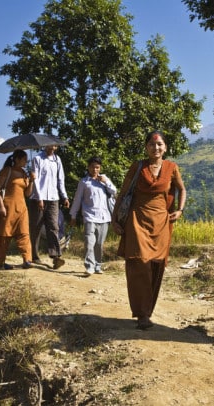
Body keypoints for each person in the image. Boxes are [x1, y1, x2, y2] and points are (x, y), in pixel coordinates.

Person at [111, 131, 186, 330]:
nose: (156, 148)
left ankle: (147, 310)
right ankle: (142, 314)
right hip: (137, 220)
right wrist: (114, 220)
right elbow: (123, 193)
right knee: (139, 265)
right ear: (146, 148)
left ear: (165, 148)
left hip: (161, 223)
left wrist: (180, 210)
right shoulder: (138, 167)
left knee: (156, 266)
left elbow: (182, 189)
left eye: (160, 144)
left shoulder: (172, 168)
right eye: (152, 145)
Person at [70, 157, 117, 276]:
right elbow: (77, 199)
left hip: (104, 217)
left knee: (99, 244)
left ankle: (97, 265)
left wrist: (106, 181)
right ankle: (89, 266)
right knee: (89, 242)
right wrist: (73, 215)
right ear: (88, 167)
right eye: (93, 167)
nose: (95, 169)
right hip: (89, 216)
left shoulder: (104, 180)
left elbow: (114, 191)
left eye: (97, 167)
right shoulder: (84, 182)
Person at [0, 149, 35, 270]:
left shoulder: (24, 173)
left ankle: (27, 260)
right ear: (17, 159)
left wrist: (31, 181)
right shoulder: (6, 171)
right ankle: (0, 263)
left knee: (24, 233)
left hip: (21, 208)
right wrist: (1, 207)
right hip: (8, 207)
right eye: (24, 160)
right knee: (4, 235)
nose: (26, 162)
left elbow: (28, 194)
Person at [29, 145, 70, 269]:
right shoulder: (37, 159)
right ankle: (34, 256)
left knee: (53, 226)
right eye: (49, 144)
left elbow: (60, 179)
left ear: (56, 147)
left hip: (53, 197)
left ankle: (56, 256)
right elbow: (35, 180)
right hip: (38, 198)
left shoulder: (57, 160)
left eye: (54, 145)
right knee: (36, 226)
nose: (51, 147)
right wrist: (39, 197)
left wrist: (64, 196)